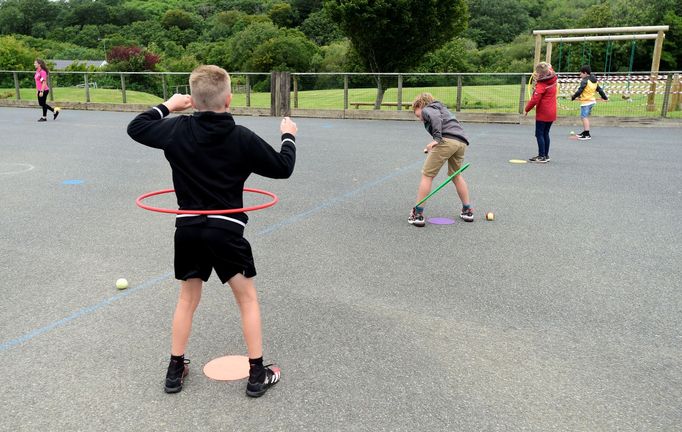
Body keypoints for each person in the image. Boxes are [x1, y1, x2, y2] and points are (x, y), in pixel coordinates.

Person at [127, 65, 297, 398]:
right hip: (226, 230)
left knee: (187, 298)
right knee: (247, 299)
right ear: (229, 99)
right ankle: (256, 373)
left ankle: (174, 370)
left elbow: (137, 127)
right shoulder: (241, 137)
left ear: (192, 100)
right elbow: (283, 167)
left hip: (188, 227)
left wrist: (168, 106)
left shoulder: (176, 129)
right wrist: (288, 135)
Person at [408, 93, 473, 227]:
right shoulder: (442, 109)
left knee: (427, 175)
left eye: (418, 115)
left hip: (446, 140)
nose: (420, 119)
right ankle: (467, 210)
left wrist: (437, 139)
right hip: (460, 142)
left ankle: (417, 214)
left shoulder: (428, 109)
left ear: (420, 105)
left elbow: (435, 119)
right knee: (456, 176)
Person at [524, 62, 557, 163]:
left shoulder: (542, 85)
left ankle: (541, 156)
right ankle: (546, 155)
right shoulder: (553, 77)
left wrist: (526, 109)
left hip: (543, 112)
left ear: (541, 74)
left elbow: (535, 99)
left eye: (537, 73)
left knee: (539, 134)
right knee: (545, 133)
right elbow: (549, 67)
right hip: (552, 111)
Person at [571, 65, 608, 140]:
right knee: (583, 117)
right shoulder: (593, 80)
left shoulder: (585, 81)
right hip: (591, 101)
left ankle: (587, 134)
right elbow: (599, 90)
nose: (580, 75)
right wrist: (604, 97)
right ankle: (585, 132)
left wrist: (573, 97)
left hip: (586, 102)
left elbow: (580, 90)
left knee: (584, 117)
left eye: (581, 73)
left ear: (585, 73)